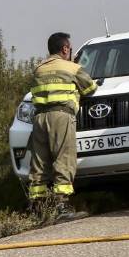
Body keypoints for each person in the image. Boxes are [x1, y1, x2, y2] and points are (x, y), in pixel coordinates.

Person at [27, 32, 97, 220]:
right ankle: (62, 206)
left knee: (39, 163)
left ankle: (36, 209)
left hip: (40, 118)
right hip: (61, 116)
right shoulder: (72, 68)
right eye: (70, 48)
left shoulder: (38, 69)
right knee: (63, 158)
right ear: (65, 49)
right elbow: (90, 88)